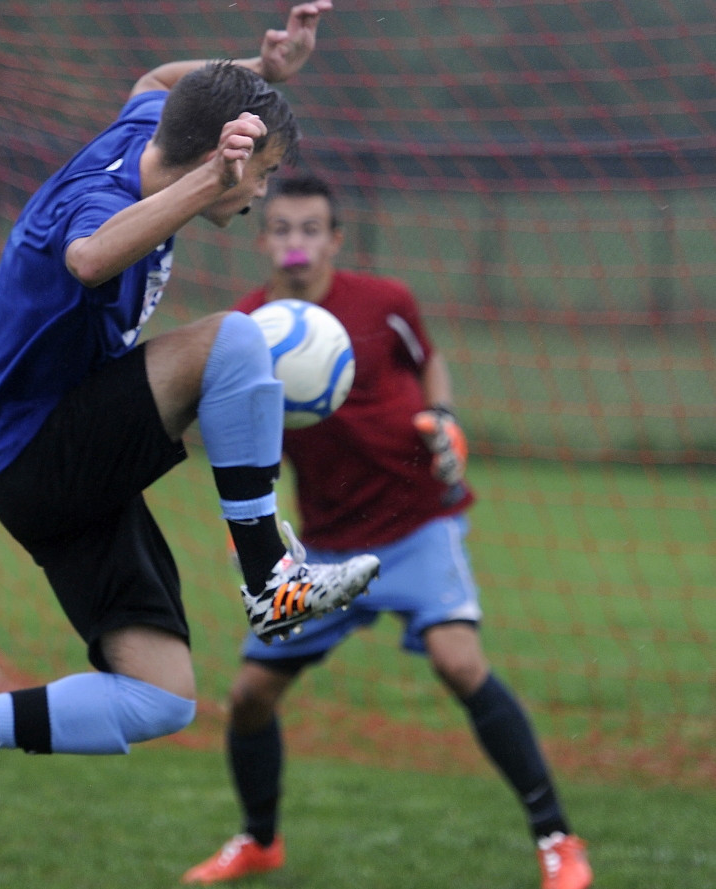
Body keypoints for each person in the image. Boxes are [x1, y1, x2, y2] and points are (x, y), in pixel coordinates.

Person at [0, 1, 382, 843]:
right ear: (215, 158)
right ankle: (271, 578)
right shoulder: (105, 196)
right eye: (260, 171)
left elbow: (160, 81)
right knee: (233, 341)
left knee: (157, 696)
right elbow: (87, 257)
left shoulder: (149, 127)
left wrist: (259, 75)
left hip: (49, 472)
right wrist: (212, 179)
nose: (262, 189)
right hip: (37, 449)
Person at [180, 175, 593, 889]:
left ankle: (557, 838)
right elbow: (244, 430)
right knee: (248, 695)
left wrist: (447, 420)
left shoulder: (386, 302)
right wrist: (251, 532)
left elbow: (428, 362)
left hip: (416, 521)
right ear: (263, 240)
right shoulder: (249, 326)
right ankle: (258, 839)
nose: (296, 243)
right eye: (281, 229)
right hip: (326, 538)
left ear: (335, 239)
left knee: (458, 662)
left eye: (310, 229)